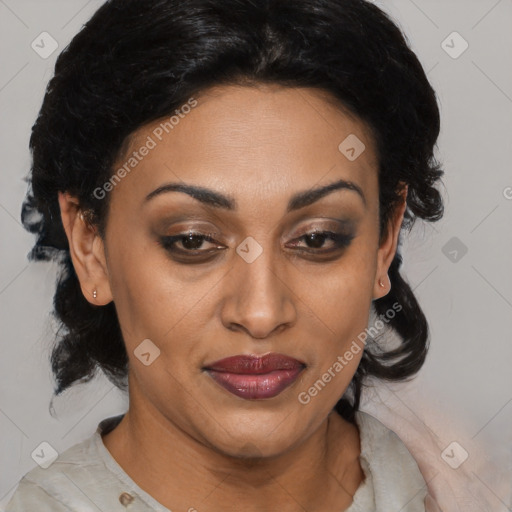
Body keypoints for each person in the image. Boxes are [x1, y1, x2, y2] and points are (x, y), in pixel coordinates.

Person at [6, 0, 445, 510]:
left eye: (318, 238)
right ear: (90, 246)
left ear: (382, 242)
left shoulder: (456, 485)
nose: (261, 313)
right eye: (192, 240)